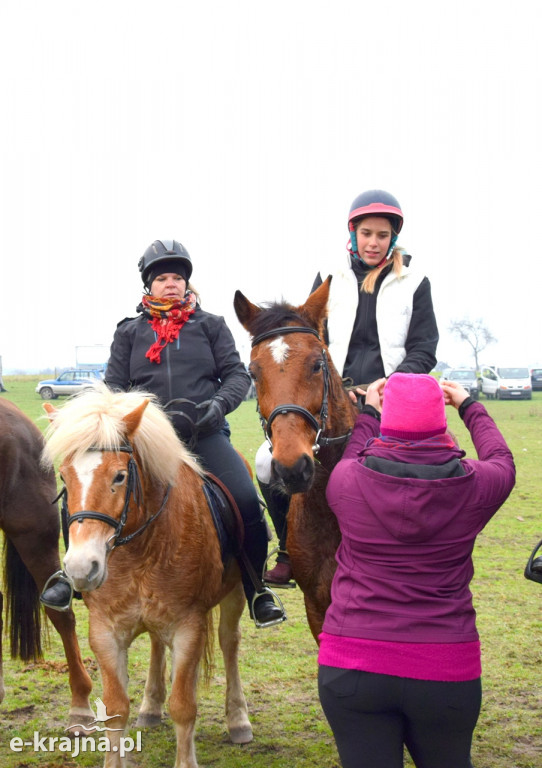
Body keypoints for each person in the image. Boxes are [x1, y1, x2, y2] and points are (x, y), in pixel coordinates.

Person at [41, 239, 285, 628]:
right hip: (143, 441)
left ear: (187, 284)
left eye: (177, 278)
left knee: (244, 500)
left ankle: (257, 590)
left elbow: (237, 375)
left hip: (203, 436)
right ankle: (69, 578)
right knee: (83, 491)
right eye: (162, 278)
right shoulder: (130, 332)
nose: (171, 284)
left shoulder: (211, 326)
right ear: (148, 286)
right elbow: (115, 386)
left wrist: (218, 406)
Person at [317, 373, 516, 768]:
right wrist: (469, 406)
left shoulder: (346, 481)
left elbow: (353, 455)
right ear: (440, 421)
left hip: (353, 665)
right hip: (445, 667)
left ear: (387, 420)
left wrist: (368, 414)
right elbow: (502, 460)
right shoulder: (477, 485)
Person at [258, 189, 439, 585]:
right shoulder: (328, 280)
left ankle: (422, 553)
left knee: (432, 467)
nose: (374, 243)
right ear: (353, 234)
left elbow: (424, 348)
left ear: (394, 238)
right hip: (331, 397)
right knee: (263, 462)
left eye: (382, 235)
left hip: (393, 398)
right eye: (367, 234)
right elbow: (308, 339)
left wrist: (388, 384)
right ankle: (290, 550)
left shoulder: (415, 283)